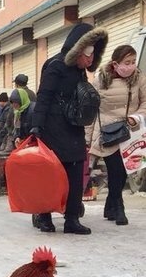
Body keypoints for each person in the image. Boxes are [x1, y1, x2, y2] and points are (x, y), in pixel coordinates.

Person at [30, 21, 108, 234]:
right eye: (87, 54)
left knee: (75, 175)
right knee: (49, 176)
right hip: (52, 130)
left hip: (74, 129)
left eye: (93, 55)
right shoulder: (55, 65)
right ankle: (44, 216)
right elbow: (44, 97)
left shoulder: (79, 71)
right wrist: (36, 126)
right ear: (77, 49)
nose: (90, 59)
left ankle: (71, 219)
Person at [87, 44, 146, 227]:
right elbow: (92, 111)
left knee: (123, 171)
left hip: (131, 132)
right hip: (108, 132)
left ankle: (110, 204)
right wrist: (87, 138)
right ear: (115, 64)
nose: (131, 66)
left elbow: (145, 102)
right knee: (116, 170)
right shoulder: (100, 81)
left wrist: (137, 117)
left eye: (133, 62)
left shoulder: (139, 79)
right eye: (127, 62)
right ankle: (119, 206)